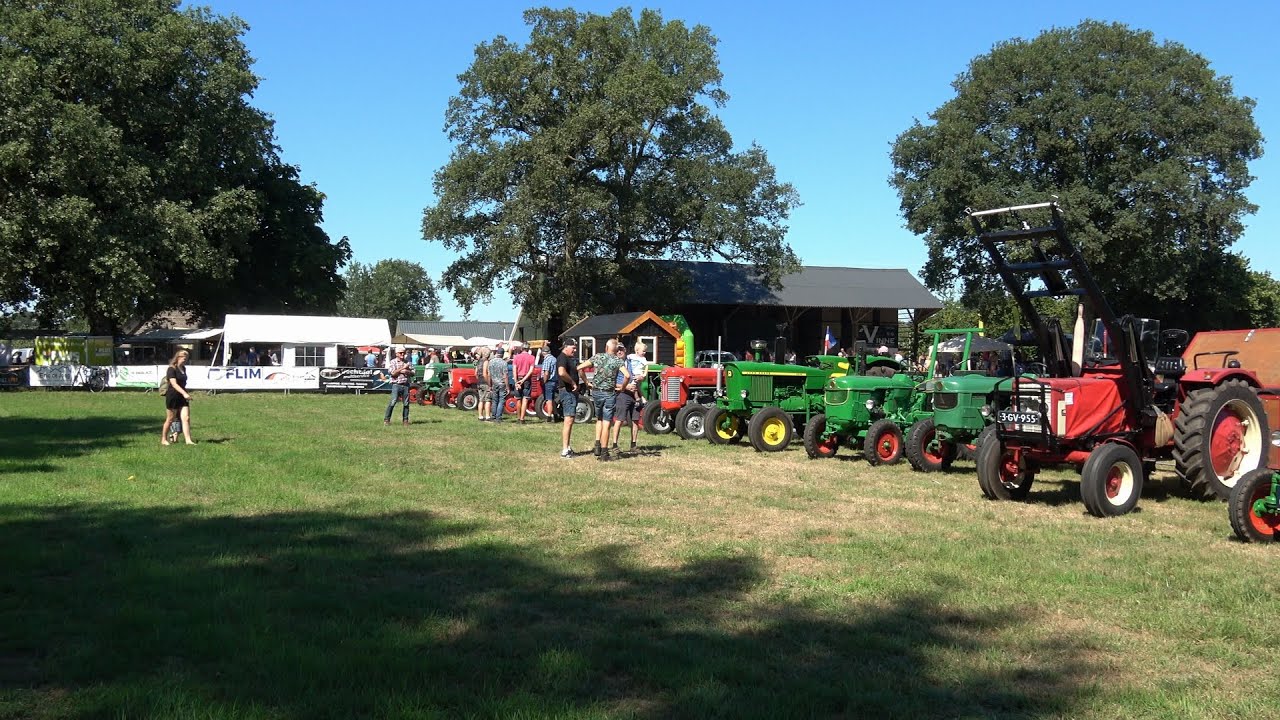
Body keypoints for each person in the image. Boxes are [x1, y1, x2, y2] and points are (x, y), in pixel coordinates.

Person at [578, 338, 629, 462]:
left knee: (599, 419)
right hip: (609, 393)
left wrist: (586, 382)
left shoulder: (597, 357)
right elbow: (627, 375)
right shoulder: (618, 360)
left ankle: (597, 445)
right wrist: (622, 387)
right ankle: (604, 453)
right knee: (607, 422)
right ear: (616, 350)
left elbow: (579, 368)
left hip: (596, 392)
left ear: (606, 348)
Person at [618, 341, 649, 454]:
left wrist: (643, 376)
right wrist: (624, 387)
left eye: (621, 349)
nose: (620, 351)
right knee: (619, 420)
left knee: (635, 419)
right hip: (623, 394)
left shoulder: (630, 360)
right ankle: (614, 445)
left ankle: (633, 444)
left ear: (625, 350)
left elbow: (645, 370)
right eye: (617, 350)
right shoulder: (616, 363)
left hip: (634, 385)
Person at [161, 349, 195, 446]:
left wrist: (184, 394)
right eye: (183, 357)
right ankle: (164, 439)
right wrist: (185, 394)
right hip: (173, 396)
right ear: (177, 357)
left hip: (183, 396)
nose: (185, 359)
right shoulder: (171, 369)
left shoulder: (183, 368)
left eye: (186, 357)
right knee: (170, 419)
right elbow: (174, 384)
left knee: (186, 418)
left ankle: (188, 440)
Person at [556, 341, 581, 458]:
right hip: (567, 392)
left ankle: (568, 447)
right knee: (568, 420)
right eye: (573, 348)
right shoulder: (562, 358)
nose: (575, 350)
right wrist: (572, 382)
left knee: (570, 419)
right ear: (566, 347)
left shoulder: (569, 358)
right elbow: (561, 372)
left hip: (571, 392)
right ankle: (565, 450)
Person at [383, 347, 414, 426]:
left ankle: (405, 420)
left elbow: (413, 372)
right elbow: (392, 373)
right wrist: (402, 368)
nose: (402, 354)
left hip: (406, 384)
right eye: (400, 353)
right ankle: (387, 419)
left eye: (403, 353)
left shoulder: (408, 362)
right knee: (393, 401)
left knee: (406, 403)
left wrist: (407, 371)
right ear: (396, 354)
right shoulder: (393, 362)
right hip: (396, 384)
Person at [511, 343, 536, 423]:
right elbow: (531, 370)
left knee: (518, 399)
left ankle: (518, 417)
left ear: (521, 349)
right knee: (525, 399)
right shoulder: (532, 357)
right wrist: (524, 379)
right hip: (527, 380)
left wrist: (516, 381)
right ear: (529, 349)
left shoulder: (516, 357)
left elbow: (514, 370)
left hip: (518, 378)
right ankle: (522, 418)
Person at [488, 347, 509, 422]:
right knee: (501, 400)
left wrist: (489, 385)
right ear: (503, 354)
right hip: (502, 383)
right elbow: (505, 376)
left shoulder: (491, 362)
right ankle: (498, 417)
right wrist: (508, 387)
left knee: (494, 400)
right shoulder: (504, 363)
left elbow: (489, 375)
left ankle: (493, 416)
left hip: (494, 383)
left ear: (497, 353)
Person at [540, 346, 560, 423]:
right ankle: (555, 415)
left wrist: (544, 381)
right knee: (552, 399)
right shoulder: (554, 359)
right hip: (555, 381)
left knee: (548, 399)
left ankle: (549, 417)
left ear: (543, 352)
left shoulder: (547, 360)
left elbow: (546, 372)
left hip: (549, 381)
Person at [475, 347, 492, 421]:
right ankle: (487, 416)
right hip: (485, 383)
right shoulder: (486, 361)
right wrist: (489, 384)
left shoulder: (478, 361)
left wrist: (479, 379)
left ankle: (480, 416)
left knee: (481, 400)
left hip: (479, 382)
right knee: (487, 400)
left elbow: (475, 373)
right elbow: (485, 373)